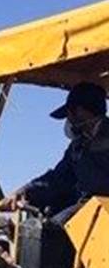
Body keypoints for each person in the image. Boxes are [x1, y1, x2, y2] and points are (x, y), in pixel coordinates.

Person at [13, 82, 109, 224]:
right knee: (46, 218)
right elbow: (59, 179)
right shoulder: (78, 147)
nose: (68, 120)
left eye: (69, 114)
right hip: (92, 207)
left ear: (80, 111)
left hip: (100, 209)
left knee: (54, 229)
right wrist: (26, 192)